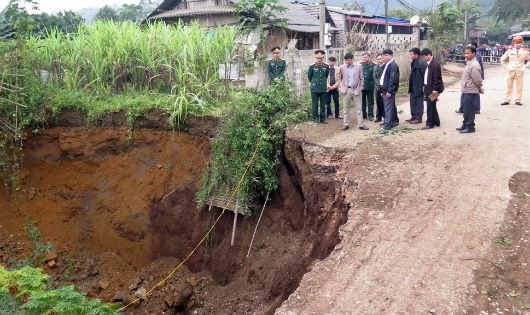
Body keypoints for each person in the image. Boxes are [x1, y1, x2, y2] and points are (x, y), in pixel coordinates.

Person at [338, 52, 368, 130]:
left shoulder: (359, 67)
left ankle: (361, 124)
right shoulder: (342, 67)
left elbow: (362, 79)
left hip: (356, 90)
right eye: (345, 60)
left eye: (348, 60)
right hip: (346, 90)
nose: (346, 62)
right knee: (346, 108)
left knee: (358, 109)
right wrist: (341, 87)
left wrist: (360, 88)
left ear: (352, 59)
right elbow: (339, 78)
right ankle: (345, 124)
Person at [457, 45, 483, 133]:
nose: (466, 55)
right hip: (466, 89)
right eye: (465, 53)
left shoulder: (474, 64)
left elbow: (477, 79)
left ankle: (470, 126)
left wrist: (479, 87)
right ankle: (465, 124)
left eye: (468, 53)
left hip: (470, 90)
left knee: (469, 110)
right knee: (465, 109)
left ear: (474, 53)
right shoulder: (469, 62)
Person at [500, 35, 529, 106]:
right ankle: (507, 99)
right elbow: (502, 59)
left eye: (519, 42)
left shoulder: (525, 52)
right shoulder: (509, 51)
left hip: (520, 70)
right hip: (510, 70)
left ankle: (518, 100)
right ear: (513, 43)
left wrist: (525, 66)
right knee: (508, 86)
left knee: (519, 86)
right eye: (516, 43)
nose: (517, 44)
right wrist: (506, 67)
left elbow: (529, 60)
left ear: (521, 43)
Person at [420, 48, 444, 130]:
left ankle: (430, 123)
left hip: (433, 89)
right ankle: (436, 121)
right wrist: (424, 85)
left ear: (429, 55)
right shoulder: (429, 63)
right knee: (432, 105)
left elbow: (437, 79)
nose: (423, 59)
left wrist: (435, 89)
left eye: (424, 57)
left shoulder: (435, 64)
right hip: (428, 87)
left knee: (430, 106)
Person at [379, 48, 400, 130]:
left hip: (388, 90)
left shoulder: (393, 65)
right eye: (383, 55)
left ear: (391, 55)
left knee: (388, 107)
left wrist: (390, 90)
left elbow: (393, 79)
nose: (384, 57)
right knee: (391, 106)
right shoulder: (387, 64)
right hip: (384, 89)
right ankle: (394, 121)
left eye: (386, 55)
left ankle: (388, 125)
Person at [308, 50, 330, 123]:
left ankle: (323, 118)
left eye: (320, 58)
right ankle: (315, 118)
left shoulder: (326, 66)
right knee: (315, 104)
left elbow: (326, 76)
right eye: (318, 58)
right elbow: (309, 77)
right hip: (314, 88)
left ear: (323, 58)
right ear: (316, 58)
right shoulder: (312, 66)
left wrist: (322, 83)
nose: (319, 59)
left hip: (323, 88)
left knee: (323, 104)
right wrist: (315, 83)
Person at [407, 47, 427, 124]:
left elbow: (425, 75)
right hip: (413, 86)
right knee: (413, 101)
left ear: (416, 54)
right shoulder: (414, 62)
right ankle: (413, 116)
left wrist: (424, 86)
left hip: (419, 86)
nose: (410, 56)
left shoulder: (422, 63)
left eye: (411, 54)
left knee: (419, 102)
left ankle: (418, 118)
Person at [360, 52, 376, 121]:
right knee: (362, 101)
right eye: (363, 57)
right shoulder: (360, 65)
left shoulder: (373, 65)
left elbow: (375, 76)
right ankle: (363, 114)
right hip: (362, 86)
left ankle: (370, 115)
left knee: (370, 101)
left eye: (365, 57)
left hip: (370, 86)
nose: (364, 59)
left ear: (369, 57)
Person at [373, 53, 385, 123]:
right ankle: (378, 117)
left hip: (384, 88)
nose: (379, 60)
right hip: (377, 88)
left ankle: (385, 117)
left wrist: (382, 84)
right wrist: (378, 84)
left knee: (384, 103)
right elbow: (375, 77)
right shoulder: (375, 67)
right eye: (378, 59)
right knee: (378, 103)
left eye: (380, 59)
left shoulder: (386, 66)